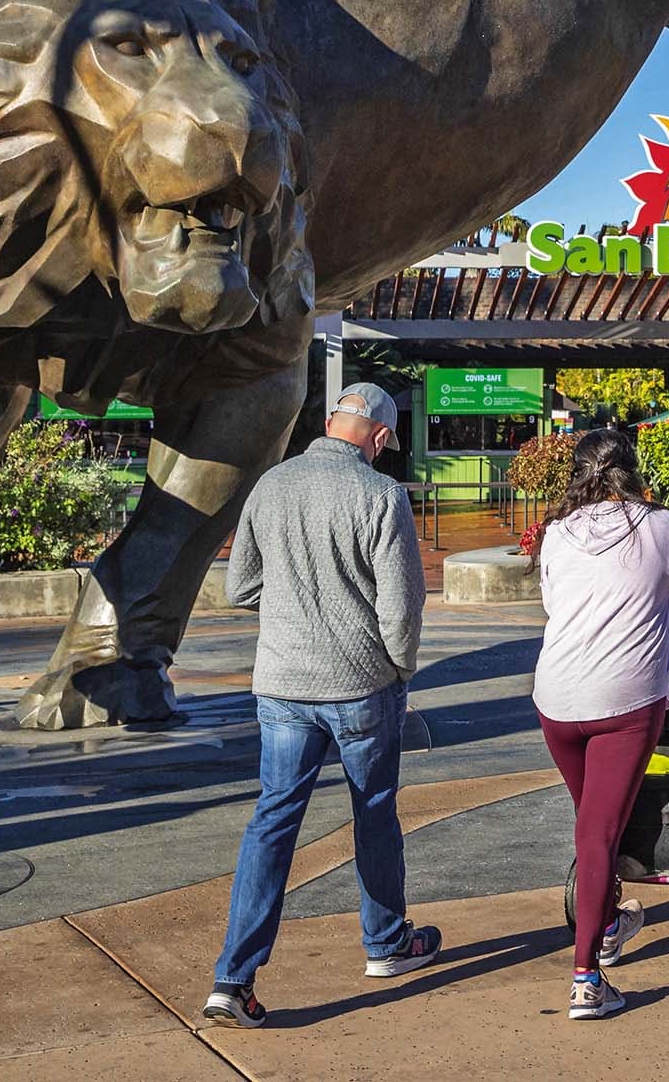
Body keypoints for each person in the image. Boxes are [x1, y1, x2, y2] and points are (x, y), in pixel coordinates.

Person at [204, 383, 438, 1029]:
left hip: (281, 681)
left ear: (332, 422)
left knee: (272, 821)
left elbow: (241, 585)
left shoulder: (273, 483)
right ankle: (386, 944)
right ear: (381, 437)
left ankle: (233, 978)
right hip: (360, 683)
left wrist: (292, 607)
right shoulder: (382, 495)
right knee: (374, 813)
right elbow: (401, 605)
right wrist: (398, 668)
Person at [533, 428, 669, 1020]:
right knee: (598, 833)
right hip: (626, 702)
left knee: (593, 821)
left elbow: (552, 604)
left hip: (555, 701)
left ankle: (610, 921)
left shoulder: (556, 533)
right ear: (631, 470)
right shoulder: (663, 528)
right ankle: (587, 978)